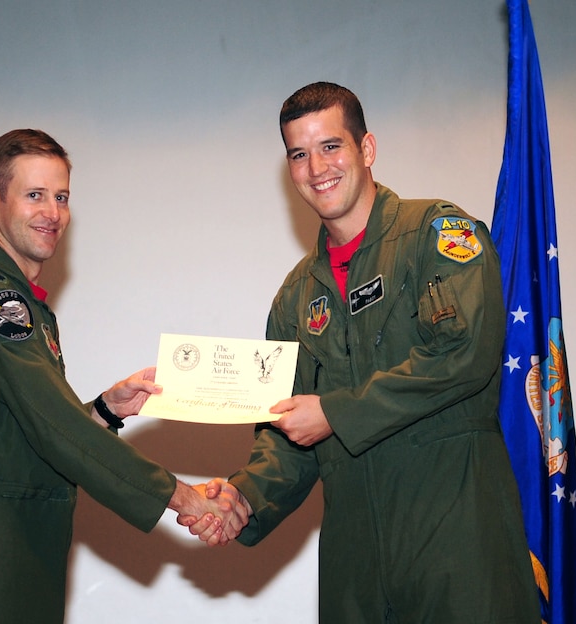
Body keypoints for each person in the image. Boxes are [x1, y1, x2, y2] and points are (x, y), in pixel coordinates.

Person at [182, 82, 541, 622]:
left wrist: (334, 411)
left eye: (331, 146)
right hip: (357, 569)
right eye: (299, 154)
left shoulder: (438, 235)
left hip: (459, 545)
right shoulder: (294, 297)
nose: (316, 167)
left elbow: (464, 353)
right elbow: (287, 435)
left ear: (366, 149)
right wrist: (244, 499)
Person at [0, 129, 247, 624]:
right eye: (34, 195)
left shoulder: (17, 299)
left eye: (61, 197)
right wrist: (184, 497)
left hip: (16, 549)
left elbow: (21, 433)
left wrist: (103, 410)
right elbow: (55, 429)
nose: (52, 213)